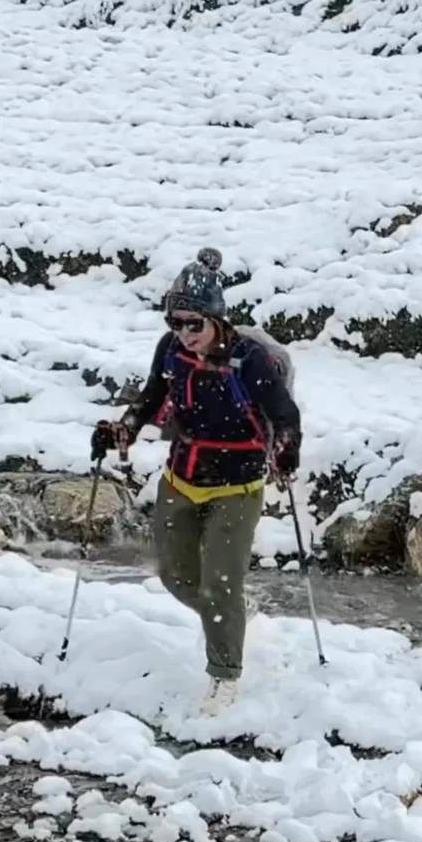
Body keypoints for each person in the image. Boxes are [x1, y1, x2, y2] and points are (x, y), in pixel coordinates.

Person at [94, 248, 301, 716]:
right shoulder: (169, 351)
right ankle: (232, 616)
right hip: (181, 477)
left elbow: (285, 416)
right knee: (175, 576)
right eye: (176, 323)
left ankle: (224, 676)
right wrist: (121, 430)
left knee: (219, 585)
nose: (184, 334)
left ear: (216, 318)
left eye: (194, 324)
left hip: (238, 485)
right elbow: (149, 399)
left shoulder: (251, 361)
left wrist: (286, 451)